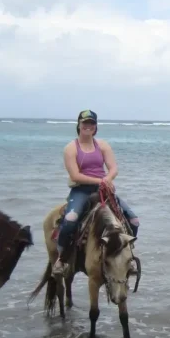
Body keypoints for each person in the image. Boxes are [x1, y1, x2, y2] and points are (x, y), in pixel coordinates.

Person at [53, 109, 140, 276]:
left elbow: (113, 168)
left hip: (104, 189)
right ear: (78, 125)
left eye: (91, 123)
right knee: (70, 220)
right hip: (81, 190)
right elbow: (75, 175)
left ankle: (128, 256)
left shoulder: (102, 145)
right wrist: (101, 181)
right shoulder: (71, 148)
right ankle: (61, 259)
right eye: (85, 123)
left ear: (96, 126)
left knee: (134, 220)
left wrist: (107, 179)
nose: (88, 126)